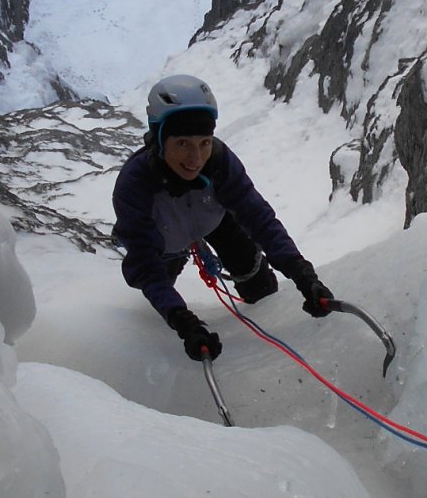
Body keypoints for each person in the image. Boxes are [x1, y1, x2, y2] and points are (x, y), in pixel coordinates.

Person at [112, 74, 334, 363]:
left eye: (204, 142)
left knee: (262, 289)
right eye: (182, 144)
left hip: (216, 223)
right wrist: (183, 321)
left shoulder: (219, 162)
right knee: (158, 288)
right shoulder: (135, 185)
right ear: (158, 139)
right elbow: (145, 265)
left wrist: (304, 276)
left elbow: (260, 220)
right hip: (163, 243)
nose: (195, 158)